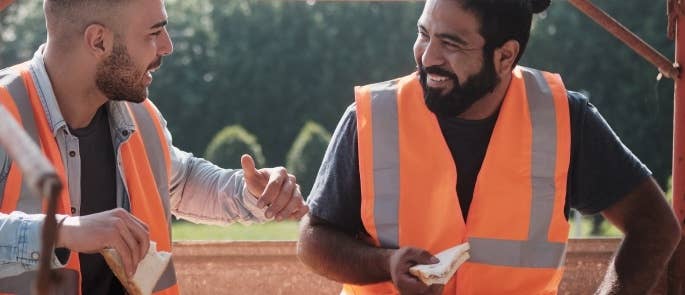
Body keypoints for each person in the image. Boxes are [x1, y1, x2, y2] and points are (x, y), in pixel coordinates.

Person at [296, 0, 681, 294]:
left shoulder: (565, 117)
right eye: (424, 33)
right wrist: (386, 263)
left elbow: (656, 227)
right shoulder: (372, 116)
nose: (428, 57)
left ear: (505, 56)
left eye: (451, 43)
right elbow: (313, 238)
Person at [0, 0, 308, 294]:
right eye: (153, 33)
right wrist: (65, 232)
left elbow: (180, 180)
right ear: (98, 41)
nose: (167, 46)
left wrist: (248, 193)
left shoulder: (140, 116)